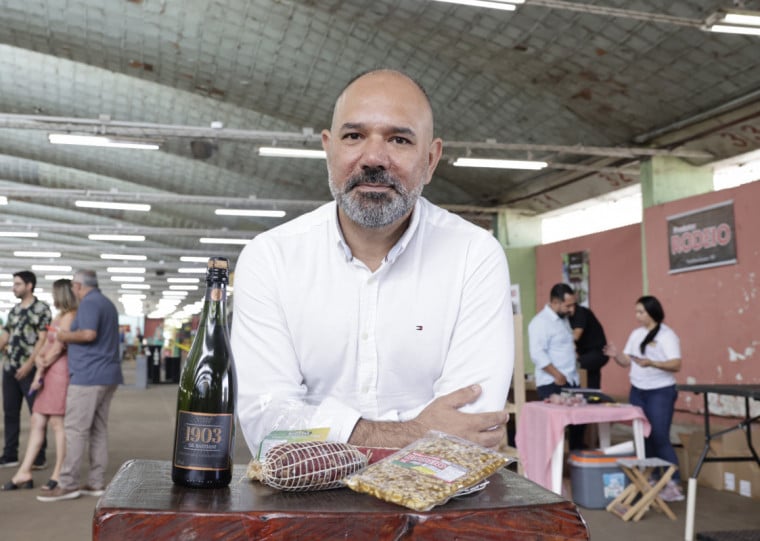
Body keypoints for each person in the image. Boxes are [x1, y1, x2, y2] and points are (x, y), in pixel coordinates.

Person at [231, 69, 514, 455]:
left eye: (399, 139)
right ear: (329, 149)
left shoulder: (474, 256)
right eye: (354, 136)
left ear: (430, 160)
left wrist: (323, 433)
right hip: (303, 512)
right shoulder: (270, 259)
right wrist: (415, 432)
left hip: (436, 513)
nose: (374, 158)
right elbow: (267, 426)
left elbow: (469, 435)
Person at [37, 270, 123, 502]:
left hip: (88, 377)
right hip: (108, 375)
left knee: (75, 430)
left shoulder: (89, 304)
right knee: (97, 430)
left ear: (78, 286)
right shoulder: (107, 304)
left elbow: (87, 334)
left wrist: (62, 335)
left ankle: (68, 483)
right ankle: (95, 483)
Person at [604, 295, 684, 502]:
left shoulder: (667, 335)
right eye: (636, 311)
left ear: (652, 312)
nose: (637, 316)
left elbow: (676, 364)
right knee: (643, 435)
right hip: (638, 390)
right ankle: (651, 479)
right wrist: (615, 355)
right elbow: (626, 361)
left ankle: (673, 482)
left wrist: (653, 363)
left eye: (641, 312)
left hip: (660, 391)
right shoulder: (636, 334)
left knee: (659, 436)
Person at [2, 279, 77, 491]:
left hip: (58, 372)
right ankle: (23, 473)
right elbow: (45, 343)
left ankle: (58, 473)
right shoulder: (58, 316)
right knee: (37, 419)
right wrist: (39, 361)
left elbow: (59, 347)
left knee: (57, 423)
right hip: (46, 372)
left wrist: (41, 364)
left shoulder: (70, 316)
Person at [0, 271, 51, 469]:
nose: (14, 288)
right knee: (10, 412)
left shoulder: (42, 309)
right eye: (14, 284)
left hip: (30, 370)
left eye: (18, 284)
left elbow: (43, 339)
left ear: (29, 286)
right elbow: (5, 337)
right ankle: (10, 454)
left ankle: (39, 456)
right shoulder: (13, 311)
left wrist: (29, 364)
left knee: (36, 413)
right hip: (9, 368)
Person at [528, 283, 584, 450]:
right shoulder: (540, 322)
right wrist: (557, 375)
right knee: (555, 430)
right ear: (555, 302)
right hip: (553, 382)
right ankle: (552, 471)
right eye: (568, 305)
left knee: (578, 426)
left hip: (571, 381)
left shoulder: (563, 320)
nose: (571, 309)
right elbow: (537, 354)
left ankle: (575, 465)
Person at [568, 300, 609, 389]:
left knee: (574, 365)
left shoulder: (580, 313)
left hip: (598, 352)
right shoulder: (566, 317)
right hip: (586, 353)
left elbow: (576, 336)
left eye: (570, 306)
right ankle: (594, 397)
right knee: (592, 379)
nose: (569, 309)